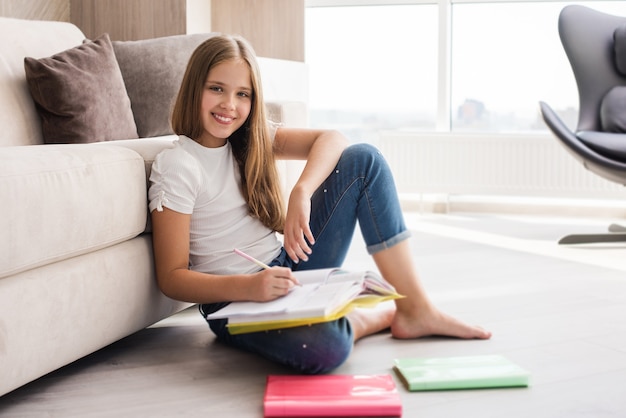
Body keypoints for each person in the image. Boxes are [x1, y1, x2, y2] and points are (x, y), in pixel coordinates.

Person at [148, 34, 491, 374]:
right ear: (195, 87)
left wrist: (301, 190)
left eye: (243, 94)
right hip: (233, 301)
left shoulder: (251, 139)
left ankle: (416, 308)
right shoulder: (178, 166)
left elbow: (333, 139)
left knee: (364, 159)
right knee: (325, 349)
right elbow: (172, 278)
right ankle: (368, 316)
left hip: (285, 266)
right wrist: (249, 287)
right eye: (217, 88)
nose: (230, 105)